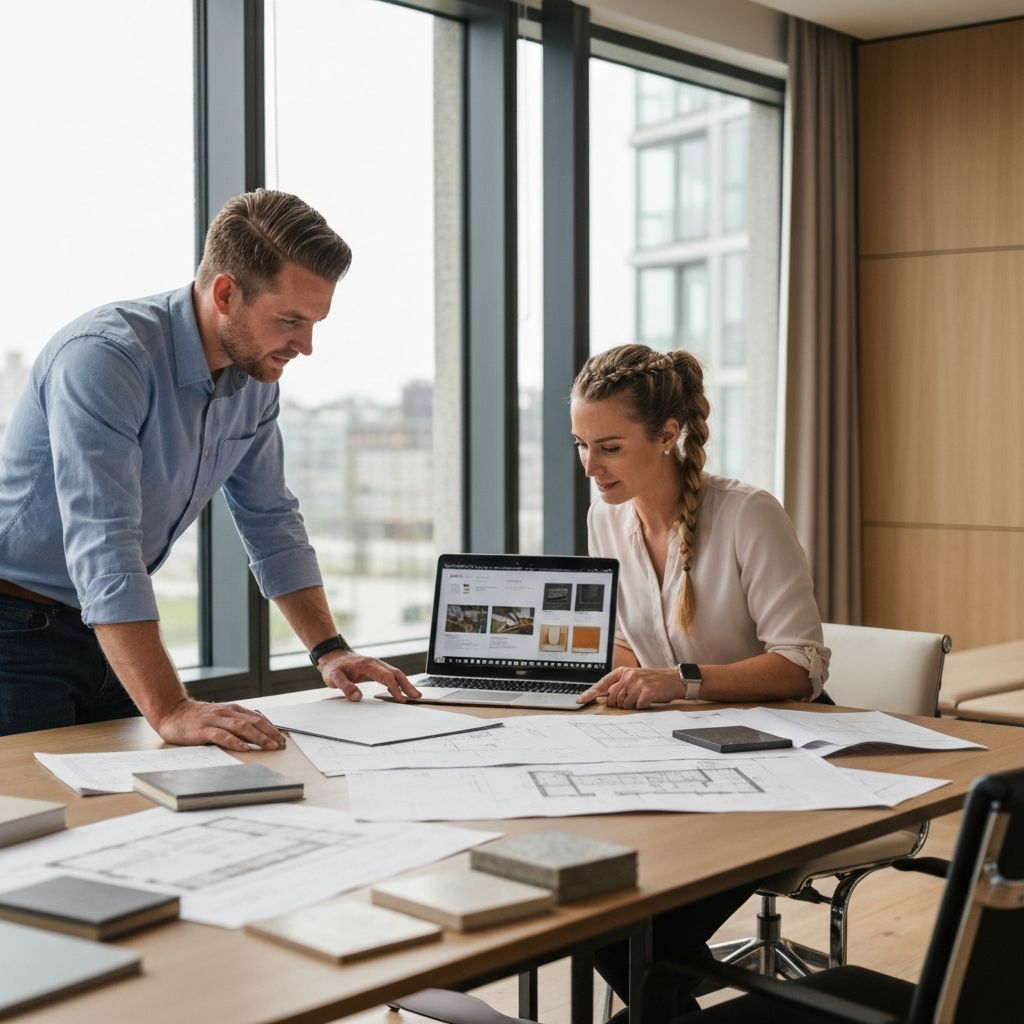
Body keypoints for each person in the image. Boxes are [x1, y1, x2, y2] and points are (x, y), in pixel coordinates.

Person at [0, 189, 420, 749]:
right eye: (290, 320)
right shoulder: (105, 358)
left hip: (107, 629)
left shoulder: (255, 382)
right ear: (225, 292)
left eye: (315, 322)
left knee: (134, 809)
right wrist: (171, 706)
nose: (306, 346)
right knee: (36, 819)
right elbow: (105, 544)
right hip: (15, 632)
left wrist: (330, 650)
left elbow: (271, 520)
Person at [569, 343, 829, 1017]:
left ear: (667, 435)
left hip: (782, 753)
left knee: (638, 926)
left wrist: (679, 682)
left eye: (610, 447)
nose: (590, 468)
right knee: (591, 898)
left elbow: (801, 666)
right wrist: (617, 675)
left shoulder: (748, 515)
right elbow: (630, 641)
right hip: (677, 751)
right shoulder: (608, 516)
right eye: (580, 446)